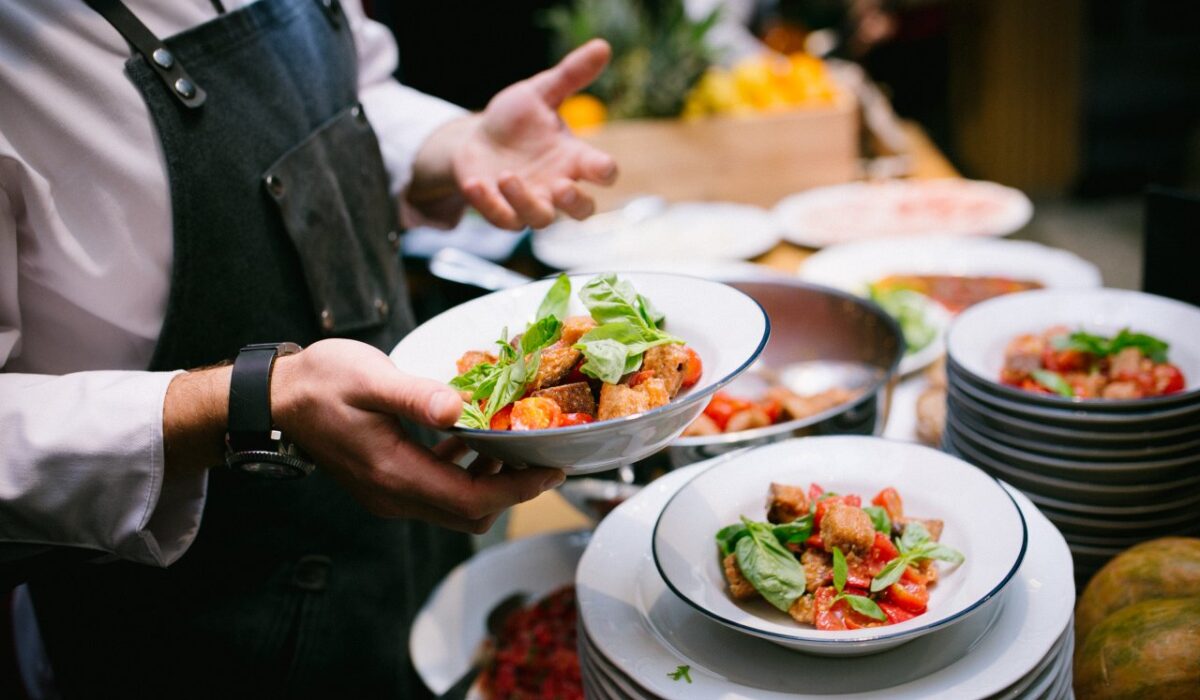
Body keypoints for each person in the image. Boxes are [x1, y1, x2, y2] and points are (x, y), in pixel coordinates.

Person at [0, 0, 616, 696]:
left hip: (412, 550)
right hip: (188, 642)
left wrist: (452, 144)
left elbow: (347, 93)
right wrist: (248, 403)